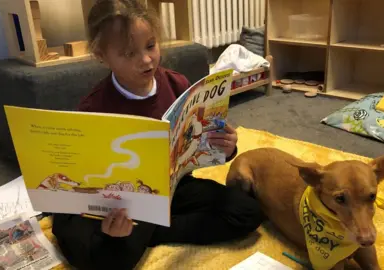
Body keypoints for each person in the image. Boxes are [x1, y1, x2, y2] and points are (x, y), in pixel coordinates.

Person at [51, 1, 264, 269]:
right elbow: (86, 179)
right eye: (129, 54)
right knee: (101, 253)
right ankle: (138, 234)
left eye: (151, 45)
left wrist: (226, 146)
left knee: (248, 212)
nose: (146, 59)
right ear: (102, 56)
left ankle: (152, 233)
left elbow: (200, 147)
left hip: (174, 188)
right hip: (124, 201)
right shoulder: (93, 107)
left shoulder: (178, 84)